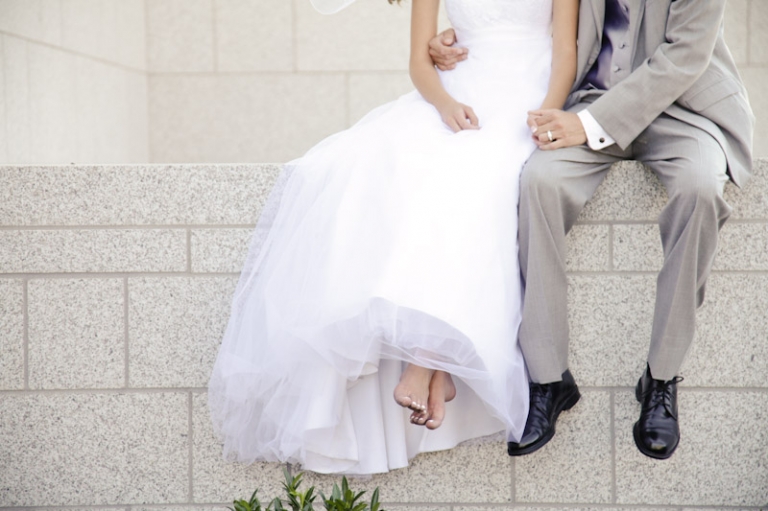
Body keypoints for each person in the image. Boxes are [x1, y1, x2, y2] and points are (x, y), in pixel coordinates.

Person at [208, 0, 578, 474]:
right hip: (461, 93)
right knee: (393, 169)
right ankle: (434, 364)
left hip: (528, 94)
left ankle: (426, 364)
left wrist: (546, 115)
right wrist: (445, 104)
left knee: (482, 180)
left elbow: (565, 51)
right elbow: (417, 62)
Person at [429, 0, 754, 460]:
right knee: (538, 182)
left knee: (700, 189)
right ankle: (549, 379)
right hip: (590, 101)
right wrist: (448, 39)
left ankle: (660, 378)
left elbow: (684, 56)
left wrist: (588, 125)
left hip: (684, 111)